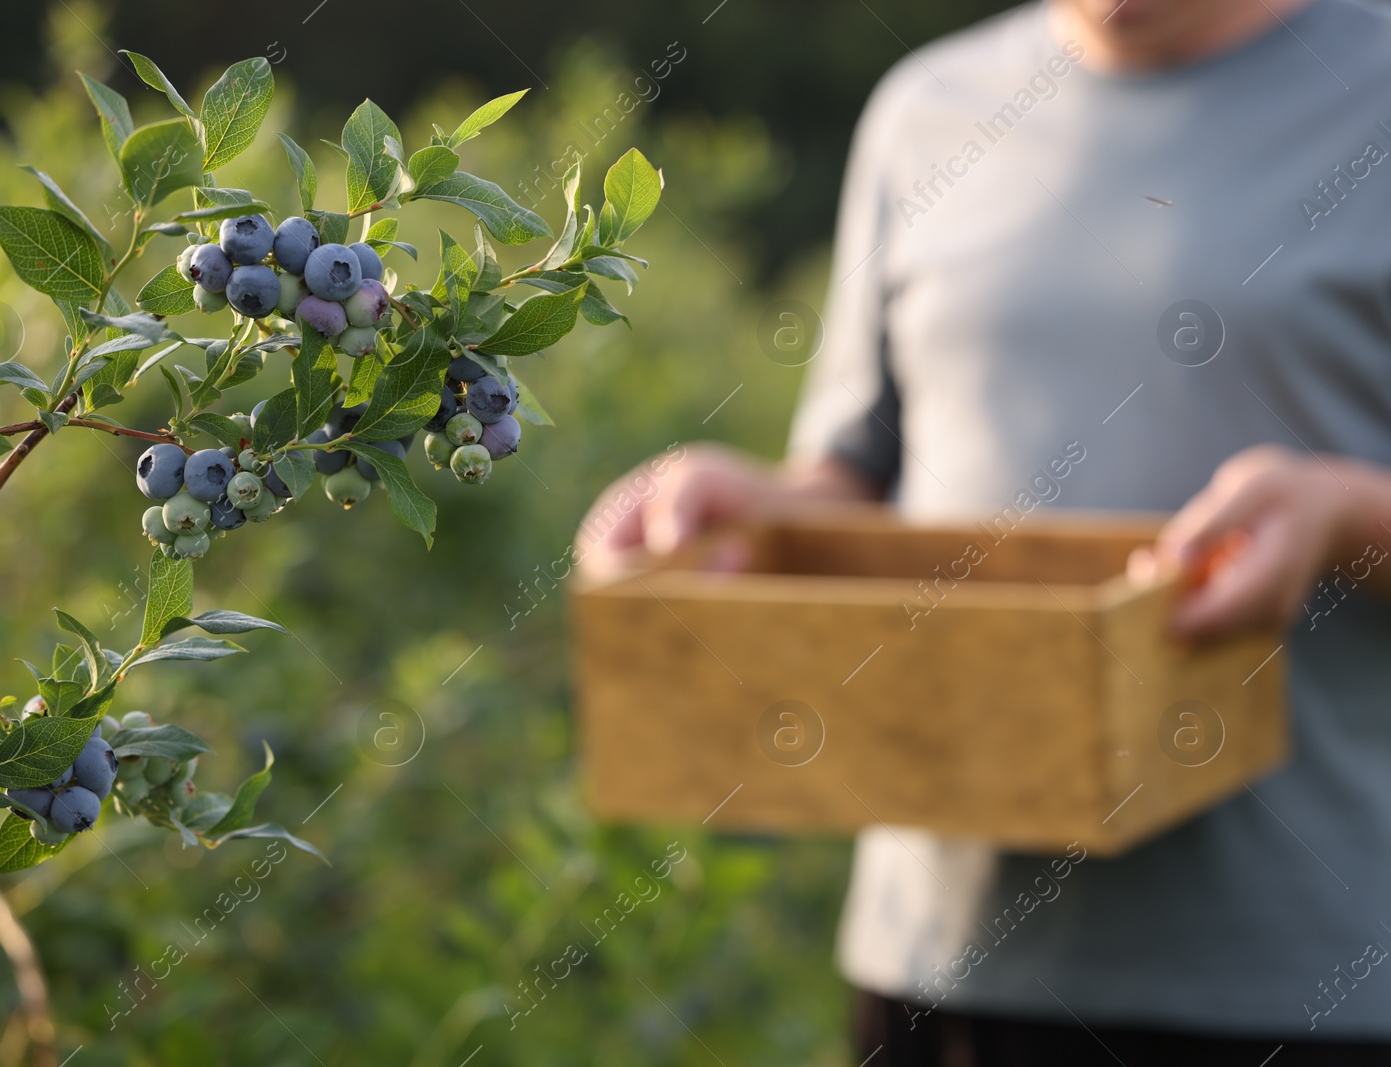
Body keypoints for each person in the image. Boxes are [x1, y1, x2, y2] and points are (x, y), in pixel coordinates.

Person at [577, 0, 1391, 1063]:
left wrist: (1333, 512)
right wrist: (751, 504)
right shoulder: (928, 107)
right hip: (945, 960)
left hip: (1310, 978)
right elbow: (857, 479)